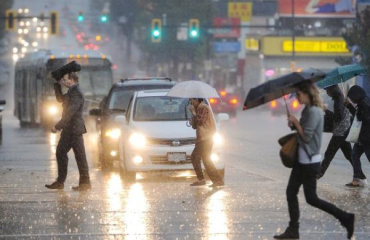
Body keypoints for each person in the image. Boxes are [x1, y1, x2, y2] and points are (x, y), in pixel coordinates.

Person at [273, 81, 354, 240]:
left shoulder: (314, 112)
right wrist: (294, 124)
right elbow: (304, 132)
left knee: (311, 198)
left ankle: (345, 217)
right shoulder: (308, 110)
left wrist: (296, 123)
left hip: (309, 162)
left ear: (307, 94)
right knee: (292, 193)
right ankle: (293, 230)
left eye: (299, 94)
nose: (296, 97)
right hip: (302, 160)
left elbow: (308, 137)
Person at [45, 72, 91, 191]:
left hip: (74, 130)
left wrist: (57, 126)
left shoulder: (77, 93)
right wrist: (57, 84)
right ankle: (62, 182)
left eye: (65, 79)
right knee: (63, 153)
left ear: (71, 80)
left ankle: (84, 183)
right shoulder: (72, 91)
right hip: (69, 130)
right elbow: (60, 99)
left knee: (78, 156)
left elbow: (69, 113)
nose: (64, 81)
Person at [317, 84, 367, 182]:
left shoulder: (338, 100)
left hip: (339, 133)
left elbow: (337, 117)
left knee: (329, 154)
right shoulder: (340, 98)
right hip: (344, 131)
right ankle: (361, 176)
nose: (327, 92)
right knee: (350, 155)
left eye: (328, 90)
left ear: (333, 90)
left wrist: (326, 110)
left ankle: (318, 175)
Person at [189, 98, 224, 187]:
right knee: (205, 159)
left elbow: (200, 122)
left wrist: (193, 112)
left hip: (206, 138)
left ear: (197, 100)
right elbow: (195, 126)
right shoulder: (199, 109)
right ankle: (216, 180)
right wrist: (192, 119)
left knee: (196, 157)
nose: (191, 103)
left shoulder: (204, 108)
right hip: (203, 138)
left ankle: (204, 179)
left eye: (192, 100)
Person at [344, 85, 370, 187]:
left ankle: (357, 179)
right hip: (362, 137)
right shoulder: (362, 102)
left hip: (367, 138)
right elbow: (357, 115)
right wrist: (349, 105)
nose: (352, 99)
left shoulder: (364, 104)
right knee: (354, 155)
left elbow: (365, 119)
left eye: (352, 97)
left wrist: (359, 114)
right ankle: (357, 179)